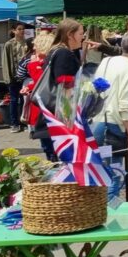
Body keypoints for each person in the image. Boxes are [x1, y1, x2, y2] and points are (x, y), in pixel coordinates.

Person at [35, 19, 85, 161]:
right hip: (58, 122)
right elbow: (65, 90)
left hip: (51, 119)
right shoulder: (64, 54)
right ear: (70, 35)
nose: (83, 36)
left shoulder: (56, 50)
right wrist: (69, 122)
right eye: (81, 33)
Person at [91, 32, 128, 159]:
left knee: (101, 171)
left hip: (96, 121)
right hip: (113, 126)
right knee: (115, 173)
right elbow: (126, 108)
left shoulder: (107, 61)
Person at [1, 22, 29, 133]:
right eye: (19, 29)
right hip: (13, 77)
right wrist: (7, 77)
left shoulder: (27, 43)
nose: (22, 31)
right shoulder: (9, 44)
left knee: (24, 100)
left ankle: (23, 122)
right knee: (13, 100)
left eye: (23, 29)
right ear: (14, 31)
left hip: (24, 76)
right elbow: (5, 61)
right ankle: (14, 123)